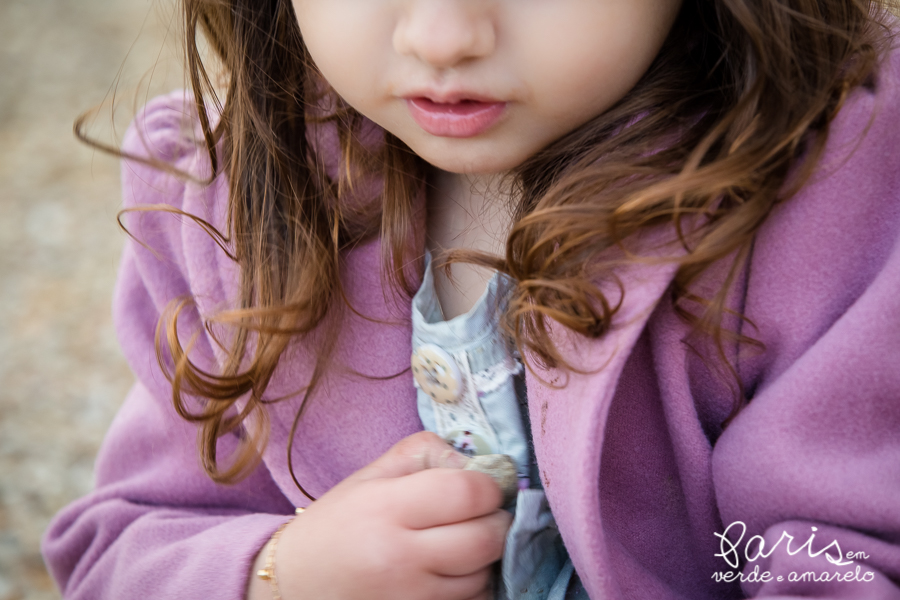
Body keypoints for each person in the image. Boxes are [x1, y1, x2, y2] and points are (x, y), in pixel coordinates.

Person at [42, 0, 900, 598]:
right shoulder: (235, 197)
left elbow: (841, 553)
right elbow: (119, 549)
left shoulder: (828, 175)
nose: (443, 36)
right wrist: (279, 572)